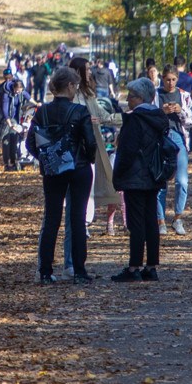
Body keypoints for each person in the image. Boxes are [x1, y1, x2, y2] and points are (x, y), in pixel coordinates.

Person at [32, 67, 97, 284]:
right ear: (69, 86)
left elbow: (31, 142)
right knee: (77, 218)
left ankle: (45, 270)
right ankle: (79, 270)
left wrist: (47, 158)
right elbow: (90, 142)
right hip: (78, 168)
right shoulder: (80, 111)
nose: (76, 89)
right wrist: (88, 159)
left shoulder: (42, 112)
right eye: (75, 86)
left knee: (51, 218)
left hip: (53, 170)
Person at [110, 77, 175, 282]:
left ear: (140, 98)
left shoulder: (134, 120)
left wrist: (118, 175)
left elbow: (127, 152)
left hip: (134, 176)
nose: (128, 99)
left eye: (131, 96)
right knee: (151, 220)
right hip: (154, 174)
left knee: (136, 222)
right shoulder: (159, 118)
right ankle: (151, 266)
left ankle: (134, 267)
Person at [71, 57, 123, 249]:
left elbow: (103, 116)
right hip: (73, 147)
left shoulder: (88, 94)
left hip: (90, 147)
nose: (90, 72)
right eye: (86, 69)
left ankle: (84, 223)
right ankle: (76, 222)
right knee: (76, 188)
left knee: (90, 186)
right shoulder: (70, 94)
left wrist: (126, 118)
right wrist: (85, 120)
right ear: (77, 71)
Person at [158, 68, 192, 235]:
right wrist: (161, 111)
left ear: (177, 79)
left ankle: (177, 218)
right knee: (160, 181)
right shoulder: (155, 95)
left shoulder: (184, 96)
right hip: (160, 139)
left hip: (179, 138)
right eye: (167, 79)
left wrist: (180, 111)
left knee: (182, 181)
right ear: (162, 79)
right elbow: (147, 116)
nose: (170, 83)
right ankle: (160, 220)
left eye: (173, 79)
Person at [0, 75, 28, 171]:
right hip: (5, 121)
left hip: (15, 120)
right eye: (17, 90)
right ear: (14, 88)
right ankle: (7, 163)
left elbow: (28, 97)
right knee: (6, 141)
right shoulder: (6, 94)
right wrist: (9, 123)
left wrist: (36, 104)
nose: (18, 92)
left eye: (20, 90)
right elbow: (5, 110)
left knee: (14, 140)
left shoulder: (20, 93)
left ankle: (13, 162)